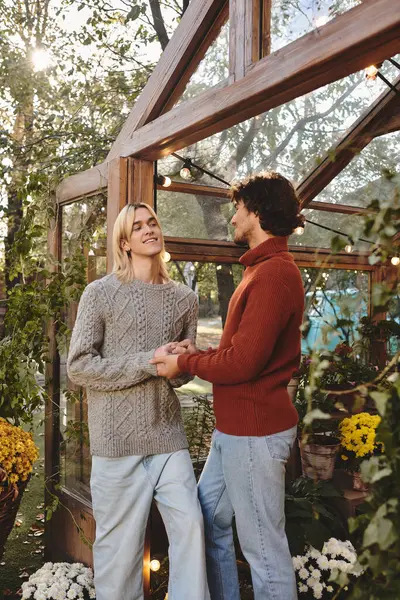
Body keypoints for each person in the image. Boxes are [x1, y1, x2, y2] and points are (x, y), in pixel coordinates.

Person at [151, 172, 305, 600]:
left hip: (255, 433)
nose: (232, 215)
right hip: (234, 430)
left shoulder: (274, 274)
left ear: (255, 211)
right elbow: (243, 348)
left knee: (263, 550)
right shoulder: (260, 270)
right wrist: (197, 347)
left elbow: (243, 363)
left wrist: (184, 362)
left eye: (238, 207)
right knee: (209, 517)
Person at [67, 203, 209, 600]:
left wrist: (183, 362)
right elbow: (79, 366)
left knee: (192, 530)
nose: (149, 230)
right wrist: (149, 361)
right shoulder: (100, 293)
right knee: (119, 553)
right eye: (138, 227)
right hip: (116, 442)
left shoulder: (186, 298)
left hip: (167, 436)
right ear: (124, 242)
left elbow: (180, 377)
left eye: (153, 223)